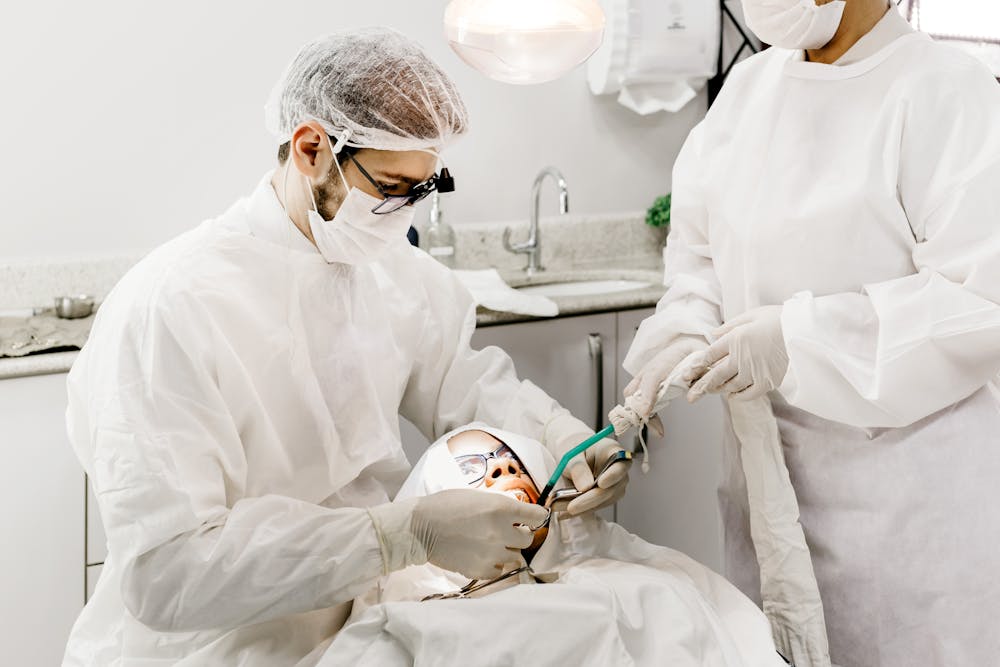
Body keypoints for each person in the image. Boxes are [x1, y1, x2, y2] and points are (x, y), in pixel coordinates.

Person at [62, 28, 629, 666]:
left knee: (623, 615)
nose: (406, 216)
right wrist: (398, 535)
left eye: (425, 188)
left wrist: (561, 438)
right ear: (311, 149)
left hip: (370, 605)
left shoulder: (390, 270)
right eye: (391, 188)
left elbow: (464, 386)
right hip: (225, 636)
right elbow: (168, 573)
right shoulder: (171, 306)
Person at [623, 1, 1000, 665]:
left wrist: (799, 340)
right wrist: (680, 334)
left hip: (904, 519)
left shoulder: (946, 90)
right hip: (765, 494)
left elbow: (978, 298)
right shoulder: (748, 92)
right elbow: (700, 258)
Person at [317, 423, 786, 667]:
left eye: (509, 462)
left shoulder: (637, 581)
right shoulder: (408, 621)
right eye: (476, 467)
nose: (501, 470)